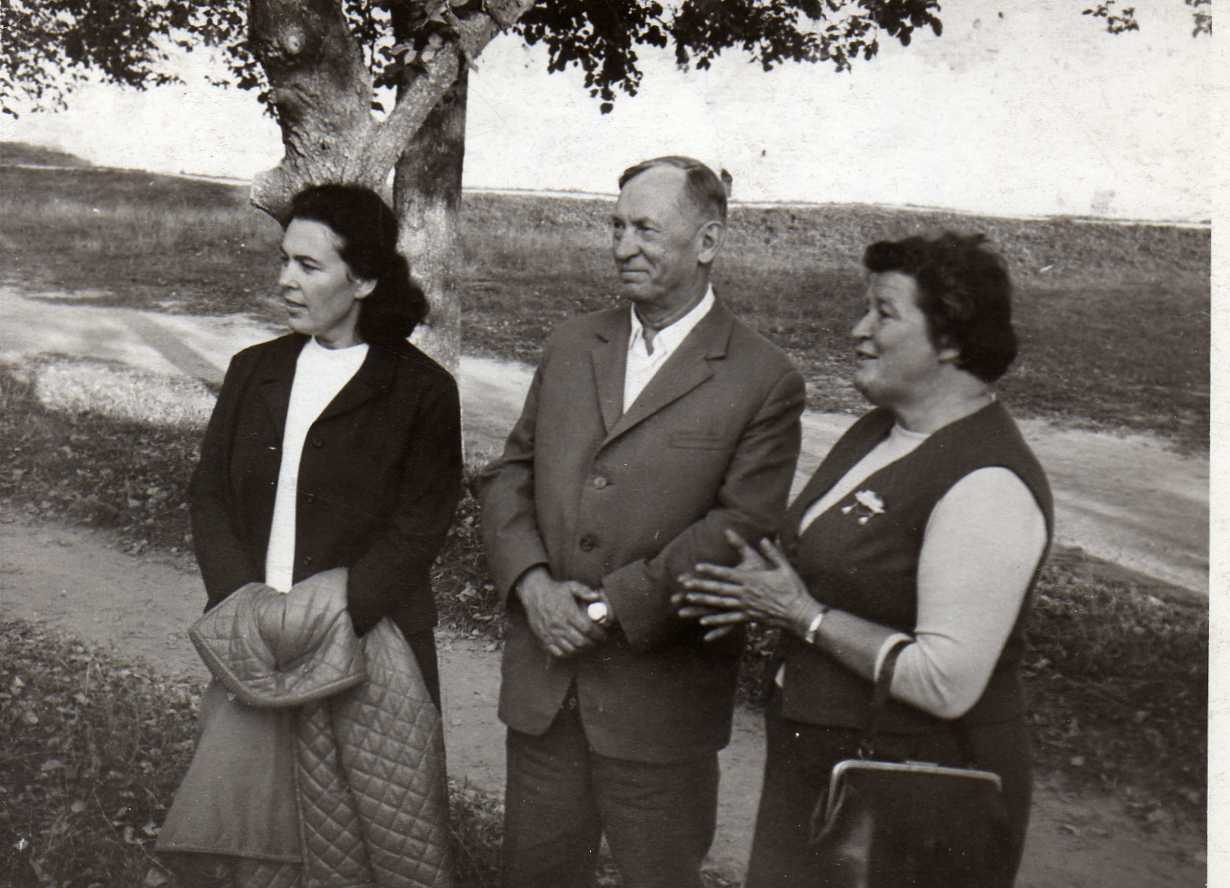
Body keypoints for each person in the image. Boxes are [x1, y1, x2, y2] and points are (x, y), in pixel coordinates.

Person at [679, 233, 1052, 887]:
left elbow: (945, 681)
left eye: (884, 312)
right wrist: (757, 594)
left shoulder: (988, 482)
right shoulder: (878, 430)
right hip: (828, 765)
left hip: (917, 796)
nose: (858, 330)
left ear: (952, 340)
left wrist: (803, 615)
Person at [479, 156, 806, 888]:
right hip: (547, 690)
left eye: (647, 230)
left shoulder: (763, 377)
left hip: (660, 709)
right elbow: (510, 474)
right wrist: (533, 587)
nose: (623, 246)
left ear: (709, 242)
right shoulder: (572, 345)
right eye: (616, 227)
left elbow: (743, 523)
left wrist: (605, 606)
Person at [188, 182, 462, 709]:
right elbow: (210, 495)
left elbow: (420, 526)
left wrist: (331, 616)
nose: (284, 280)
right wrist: (244, 603)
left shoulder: (422, 391)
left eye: (308, 267)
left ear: (363, 279)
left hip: (373, 648)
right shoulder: (253, 371)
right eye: (284, 260)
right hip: (253, 640)